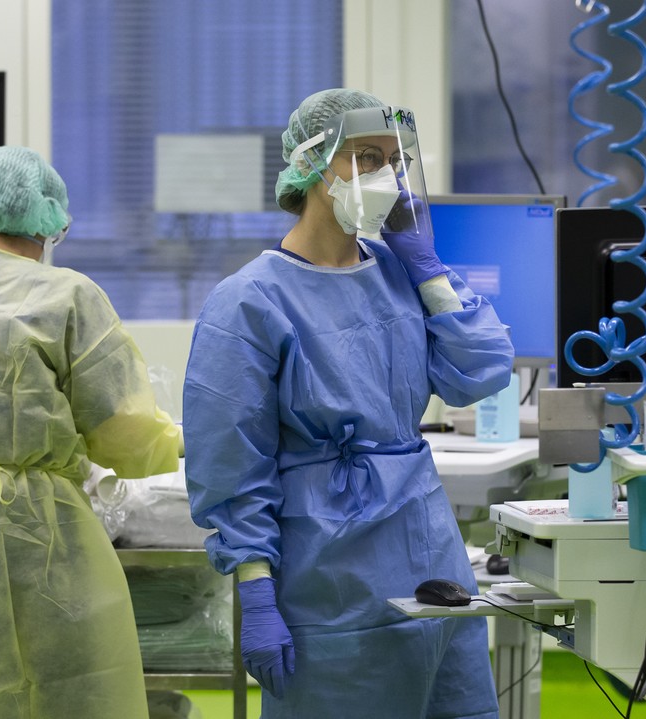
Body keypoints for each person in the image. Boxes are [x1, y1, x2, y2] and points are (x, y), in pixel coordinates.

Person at [183, 88, 513, 718]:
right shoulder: (249, 301)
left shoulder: (401, 273)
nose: (384, 177)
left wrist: (429, 269)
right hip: (329, 573)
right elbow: (230, 464)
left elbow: (482, 371)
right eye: (364, 158)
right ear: (311, 166)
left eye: (392, 161)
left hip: (428, 552)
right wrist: (254, 590)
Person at [0, 146, 183, 719]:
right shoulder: (65, 294)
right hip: (28, 539)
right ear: (51, 220)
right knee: (42, 692)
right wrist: (183, 443)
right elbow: (124, 433)